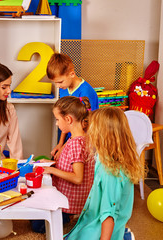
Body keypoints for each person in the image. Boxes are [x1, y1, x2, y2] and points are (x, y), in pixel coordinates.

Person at [65, 107, 143, 240]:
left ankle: (124, 235)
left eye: (91, 129)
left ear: (101, 136)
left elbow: (109, 214)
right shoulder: (106, 159)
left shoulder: (111, 172)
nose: (88, 132)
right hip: (91, 223)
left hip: (98, 232)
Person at [32, 96, 95, 233]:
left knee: (36, 225)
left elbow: (78, 178)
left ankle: (69, 216)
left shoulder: (75, 144)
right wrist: (52, 163)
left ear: (68, 120)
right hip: (73, 198)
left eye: (57, 119)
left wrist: (51, 170)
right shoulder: (79, 138)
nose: (56, 124)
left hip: (70, 202)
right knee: (35, 209)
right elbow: (71, 162)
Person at [46, 53, 99, 160]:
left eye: (60, 82)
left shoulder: (86, 92)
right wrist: (60, 143)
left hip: (82, 140)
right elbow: (63, 117)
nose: (58, 86)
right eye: (55, 83)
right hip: (69, 137)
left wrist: (64, 147)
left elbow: (85, 127)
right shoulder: (63, 87)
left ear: (72, 74)